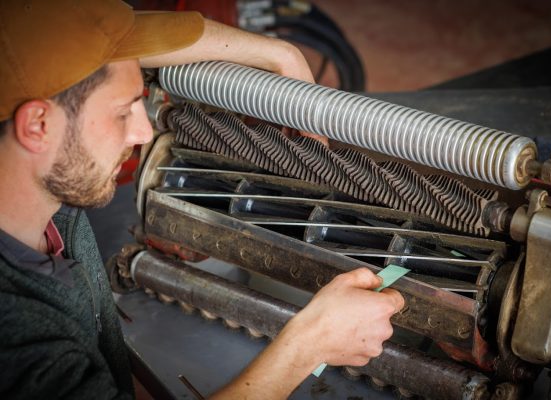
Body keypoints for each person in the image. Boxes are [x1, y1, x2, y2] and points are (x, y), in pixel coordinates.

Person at [0, 1, 404, 399]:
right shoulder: (20, 333)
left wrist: (280, 54)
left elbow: (137, 36)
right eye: (124, 112)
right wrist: (308, 345)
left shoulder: (35, 169)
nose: (144, 131)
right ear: (37, 125)